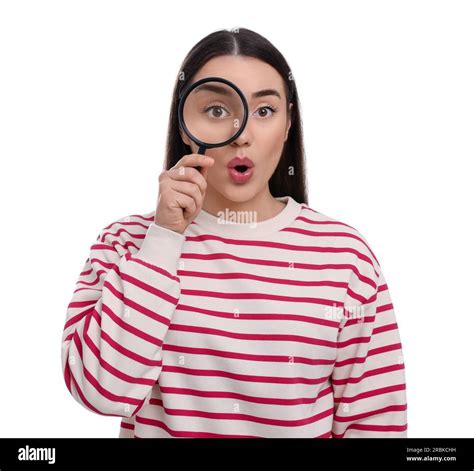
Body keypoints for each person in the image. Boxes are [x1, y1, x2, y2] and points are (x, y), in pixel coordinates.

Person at [61, 27, 408, 438]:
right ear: (185, 122)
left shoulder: (346, 258)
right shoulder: (127, 242)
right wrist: (164, 238)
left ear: (288, 123)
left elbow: (374, 424)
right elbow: (99, 390)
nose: (242, 134)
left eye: (264, 111)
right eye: (216, 110)